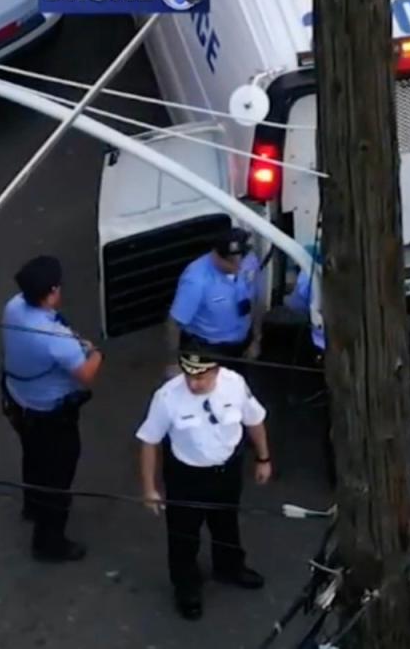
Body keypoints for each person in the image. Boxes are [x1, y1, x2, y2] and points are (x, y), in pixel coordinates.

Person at [137, 347, 272, 620]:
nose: (194, 383)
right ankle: (186, 587)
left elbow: (255, 420)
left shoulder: (234, 384)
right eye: (189, 376)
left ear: (217, 370)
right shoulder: (167, 397)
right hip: (187, 476)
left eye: (202, 377)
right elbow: (149, 441)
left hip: (227, 470)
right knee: (183, 535)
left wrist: (263, 457)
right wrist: (149, 488)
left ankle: (230, 567)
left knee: (226, 524)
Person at [1, 255, 104, 561]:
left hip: (19, 399)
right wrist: (97, 353)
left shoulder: (14, 307)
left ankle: (32, 505)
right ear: (52, 292)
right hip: (51, 413)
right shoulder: (55, 338)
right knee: (58, 477)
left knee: (33, 457)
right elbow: (86, 375)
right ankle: (49, 542)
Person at [165, 227, 263, 374]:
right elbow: (174, 322)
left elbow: (256, 301)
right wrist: (174, 362)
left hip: (242, 343)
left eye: (241, 259)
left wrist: (256, 339)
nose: (238, 266)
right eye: (231, 262)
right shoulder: (196, 280)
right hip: (208, 350)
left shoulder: (250, 262)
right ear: (216, 255)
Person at [285, 266, 334, 486]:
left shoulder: (310, 273)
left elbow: (296, 305)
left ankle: (336, 474)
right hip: (363, 350)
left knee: (333, 415)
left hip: (325, 352)